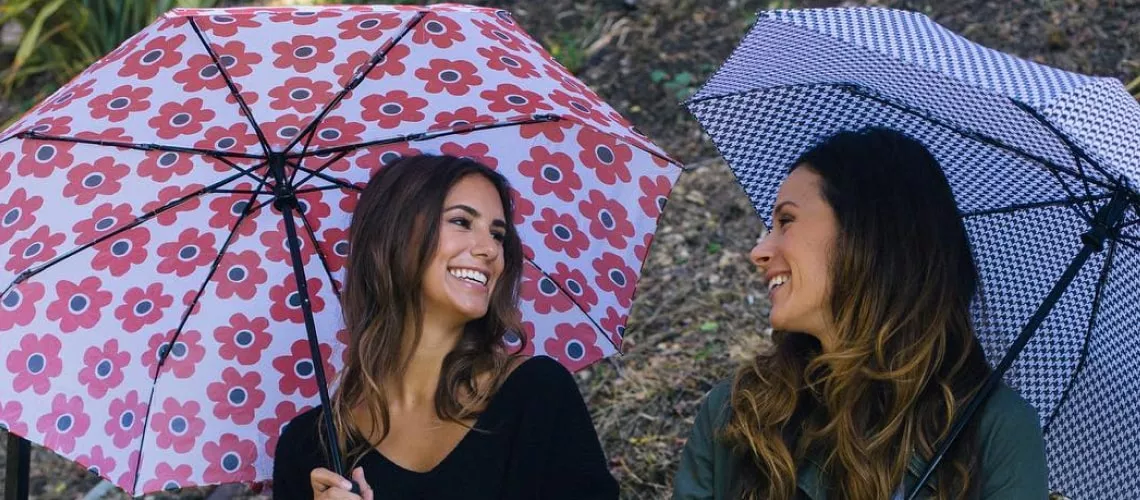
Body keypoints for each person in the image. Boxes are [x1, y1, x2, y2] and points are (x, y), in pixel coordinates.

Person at [672, 128, 1049, 500]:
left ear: (867, 235)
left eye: (786, 221)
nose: (759, 251)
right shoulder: (737, 414)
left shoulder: (993, 432)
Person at [272, 154, 618, 499]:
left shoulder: (536, 394)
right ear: (392, 235)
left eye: (498, 235)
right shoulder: (308, 448)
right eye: (461, 222)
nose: (490, 250)